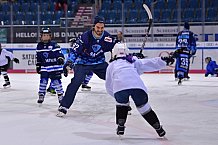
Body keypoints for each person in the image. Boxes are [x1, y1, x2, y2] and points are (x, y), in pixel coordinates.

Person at [105, 43, 174, 137]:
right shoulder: (133, 61)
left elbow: (108, 85)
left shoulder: (111, 65)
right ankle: (158, 128)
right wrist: (163, 61)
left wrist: (117, 96)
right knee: (144, 107)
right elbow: (149, 63)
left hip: (119, 88)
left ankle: (120, 126)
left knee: (121, 105)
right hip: (137, 86)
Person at [57, 15, 116, 116]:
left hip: (99, 63)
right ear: (93, 27)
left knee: (114, 78)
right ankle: (64, 106)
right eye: (98, 27)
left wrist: (130, 56)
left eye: (102, 28)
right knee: (76, 82)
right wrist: (69, 62)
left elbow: (117, 48)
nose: (100, 30)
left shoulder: (108, 38)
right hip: (83, 63)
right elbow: (75, 51)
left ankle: (123, 103)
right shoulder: (85, 37)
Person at [36, 28, 65, 104]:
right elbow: (38, 57)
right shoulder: (39, 46)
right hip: (45, 66)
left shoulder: (54, 44)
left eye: (47, 35)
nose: (45, 37)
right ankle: (41, 94)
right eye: (44, 35)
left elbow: (59, 53)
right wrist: (38, 65)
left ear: (50, 36)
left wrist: (60, 58)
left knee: (56, 82)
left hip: (54, 67)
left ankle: (60, 95)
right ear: (41, 36)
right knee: (43, 81)